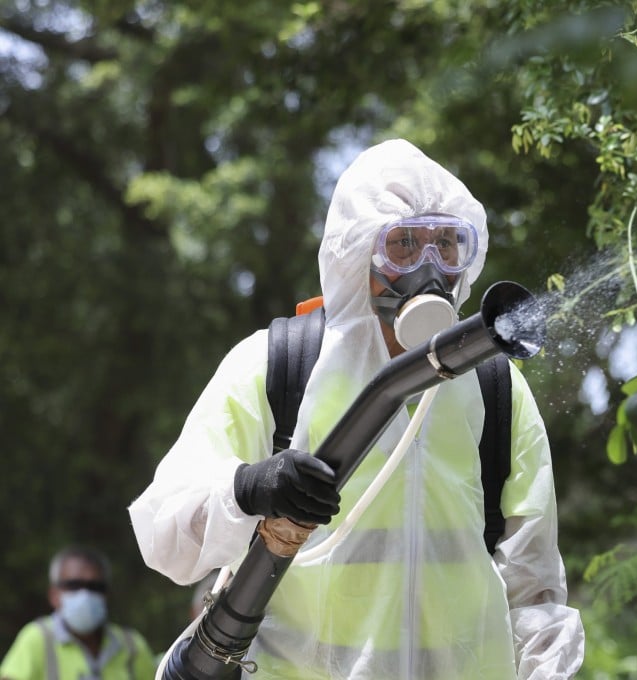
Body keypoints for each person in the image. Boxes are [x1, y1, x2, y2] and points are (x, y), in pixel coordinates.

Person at [128, 138, 584, 679]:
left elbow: (534, 589)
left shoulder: (492, 382)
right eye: (405, 246)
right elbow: (164, 533)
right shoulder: (279, 363)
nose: (430, 267)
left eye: (448, 244)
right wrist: (248, 485)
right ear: (356, 252)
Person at [0, 545, 157, 680]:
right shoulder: (37, 639)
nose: (85, 594)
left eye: (94, 586)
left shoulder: (133, 645)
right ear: (54, 595)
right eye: (74, 585)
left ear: (106, 594)